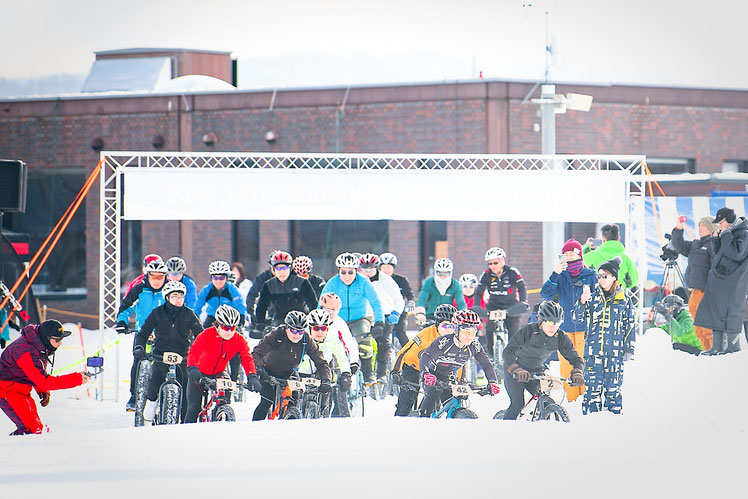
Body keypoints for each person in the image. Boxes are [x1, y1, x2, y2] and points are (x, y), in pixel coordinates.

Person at [0, 320, 91, 435]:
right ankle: (13, 449)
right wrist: (77, 379)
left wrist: (43, 391)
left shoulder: (39, 346)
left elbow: (37, 373)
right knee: (32, 430)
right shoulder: (26, 351)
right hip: (7, 390)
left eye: (61, 339)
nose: (60, 343)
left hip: (21, 390)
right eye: (57, 340)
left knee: (36, 428)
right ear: (46, 338)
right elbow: (44, 381)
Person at [502, 301, 585, 420]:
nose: (553, 327)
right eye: (550, 322)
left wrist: (578, 371)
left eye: (557, 323)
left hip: (536, 371)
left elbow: (575, 358)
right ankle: (505, 432)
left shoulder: (560, 337)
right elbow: (507, 352)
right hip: (515, 371)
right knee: (517, 404)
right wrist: (516, 369)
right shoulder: (528, 331)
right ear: (541, 320)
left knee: (546, 401)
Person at [573, 258, 635, 415]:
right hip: (593, 354)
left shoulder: (624, 300)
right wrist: (581, 302)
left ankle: (614, 429)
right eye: (599, 276)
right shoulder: (592, 298)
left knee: (613, 394)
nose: (601, 279)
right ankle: (590, 428)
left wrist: (629, 348)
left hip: (614, 356)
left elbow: (630, 326)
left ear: (614, 277)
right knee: (591, 395)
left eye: (605, 276)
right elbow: (576, 318)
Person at [135, 281, 204, 423]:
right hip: (161, 354)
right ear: (167, 297)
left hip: (182, 355)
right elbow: (143, 333)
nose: (178, 299)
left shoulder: (189, 314)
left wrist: (205, 350)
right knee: (157, 376)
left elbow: (201, 336)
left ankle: (186, 421)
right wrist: (139, 347)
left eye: (181, 296)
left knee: (186, 384)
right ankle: (152, 402)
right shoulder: (157, 313)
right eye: (174, 296)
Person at [540, 238, 597, 402]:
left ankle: (586, 399)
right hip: (564, 327)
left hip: (585, 328)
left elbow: (598, 300)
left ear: (579, 253)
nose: (568, 256)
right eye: (566, 253)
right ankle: (572, 400)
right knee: (566, 366)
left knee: (584, 363)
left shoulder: (590, 274)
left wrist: (589, 298)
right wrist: (555, 274)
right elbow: (546, 295)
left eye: (571, 253)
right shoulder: (561, 275)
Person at [184, 305, 261, 423]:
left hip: (219, 373)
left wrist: (252, 376)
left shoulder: (238, 339)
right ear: (218, 325)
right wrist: (193, 368)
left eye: (233, 328)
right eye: (226, 327)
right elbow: (193, 352)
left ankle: (220, 415)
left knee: (224, 399)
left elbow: (246, 358)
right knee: (194, 408)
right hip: (199, 372)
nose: (229, 332)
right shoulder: (206, 335)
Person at [251, 311, 332, 420]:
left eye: (300, 332)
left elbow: (321, 361)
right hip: (268, 371)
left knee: (295, 400)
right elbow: (257, 353)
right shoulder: (276, 335)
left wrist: (326, 379)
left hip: (290, 372)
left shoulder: (306, 339)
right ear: (287, 328)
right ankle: (255, 427)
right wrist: (259, 370)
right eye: (293, 331)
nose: (296, 335)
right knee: (267, 400)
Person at [418, 309, 500, 417]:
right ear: (456, 330)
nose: (469, 336)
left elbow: (486, 364)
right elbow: (426, 356)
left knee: (454, 403)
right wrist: (426, 374)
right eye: (466, 332)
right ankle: (422, 418)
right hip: (432, 376)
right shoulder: (444, 342)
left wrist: (492, 381)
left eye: (473, 332)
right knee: (432, 395)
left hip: (450, 379)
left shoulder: (474, 345)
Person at [319, 252, 385, 383]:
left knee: (363, 342)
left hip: (359, 318)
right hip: (337, 319)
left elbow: (376, 302)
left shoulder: (364, 282)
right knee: (331, 344)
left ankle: (368, 373)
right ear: (339, 271)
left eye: (351, 272)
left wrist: (379, 322)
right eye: (343, 272)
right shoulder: (333, 283)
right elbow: (321, 305)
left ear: (356, 271)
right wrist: (318, 321)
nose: (347, 276)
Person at [116, 259, 168, 411]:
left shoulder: (169, 290)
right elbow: (125, 307)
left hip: (163, 333)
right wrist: (122, 322)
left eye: (160, 277)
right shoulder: (139, 289)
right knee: (138, 360)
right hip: (143, 332)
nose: (157, 280)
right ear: (147, 276)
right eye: (153, 276)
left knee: (166, 363)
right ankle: (134, 395)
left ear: (165, 277)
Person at [695, 207, 748, 355]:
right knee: (715, 312)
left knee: (730, 313)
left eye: (721, 222)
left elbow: (735, 253)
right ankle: (717, 346)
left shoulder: (742, 234)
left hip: (732, 282)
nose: (719, 225)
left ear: (730, 220)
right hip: (720, 280)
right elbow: (720, 253)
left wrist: (725, 235)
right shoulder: (728, 233)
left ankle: (732, 347)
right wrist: (716, 239)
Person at [392, 304, 456, 416]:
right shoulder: (426, 334)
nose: (449, 330)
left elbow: (460, 361)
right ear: (437, 324)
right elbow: (404, 351)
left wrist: (460, 380)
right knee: (406, 403)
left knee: (440, 397)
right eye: (445, 326)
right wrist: (395, 371)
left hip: (434, 370)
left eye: (453, 326)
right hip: (413, 366)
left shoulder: (456, 338)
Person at [669, 216, 716, 351]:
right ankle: (706, 352)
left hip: (705, 292)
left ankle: (713, 353)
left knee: (707, 329)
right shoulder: (696, 244)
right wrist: (678, 228)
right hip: (693, 291)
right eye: (699, 225)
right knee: (698, 330)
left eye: (704, 225)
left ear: (712, 228)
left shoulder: (714, 245)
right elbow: (679, 245)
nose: (700, 228)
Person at [474, 247, 528, 358]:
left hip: (511, 307)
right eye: (490, 263)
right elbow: (479, 292)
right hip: (494, 307)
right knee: (489, 328)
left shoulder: (512, 272)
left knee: (514, 331)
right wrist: (476, 307)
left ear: (502, 260)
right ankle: (492, 357)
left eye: (495, 263)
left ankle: (515, 357)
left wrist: (523, 302)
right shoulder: (486, 275)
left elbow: (522, 287)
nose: (492, 266)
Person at [358, 253, 404, 380]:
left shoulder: (386, 280)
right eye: (364, 270)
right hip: (364, 316)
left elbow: (399, 300)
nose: (367, 273)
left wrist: (395, 313)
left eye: (370, 269)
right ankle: (366, 373)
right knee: (362, 343)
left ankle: (381, 373)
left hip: (385, 315)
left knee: (383, 342)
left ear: (376, 267)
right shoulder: (357, 280)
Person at [298, 308, 351, 414]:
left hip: (322, 372)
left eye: (323, 328)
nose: (320, 332)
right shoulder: (300, 337)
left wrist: (346, 373)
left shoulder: (332, 338)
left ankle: (322, 413)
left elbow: (341, 357)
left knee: (326, 396)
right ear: (309, 328)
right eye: (316, 328)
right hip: (301, 372)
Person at [252, 251, 318, 332]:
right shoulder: (269, 285)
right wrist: (260, 322)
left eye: (284, 268)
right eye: (278, 268)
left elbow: (312, 303)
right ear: (273, 270)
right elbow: (262, 306)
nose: (282, 272)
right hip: (279, 322)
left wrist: (314, 321)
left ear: (290, 268)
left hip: (300, 321)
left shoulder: (302, 282)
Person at [582, 224, 639, 290]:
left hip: (599, 296)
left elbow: (579, 258)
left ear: (603, 238)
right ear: (618, 238)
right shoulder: (626, 259)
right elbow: (633, 281)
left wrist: (586, 246)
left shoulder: (593, 256)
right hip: (620, 295)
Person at [194, 260, 247, 328]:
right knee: (203, 335)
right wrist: (194, 321)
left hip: (229, 318)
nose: (218, 281)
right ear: (211, 278)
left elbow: (239, 304)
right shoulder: (207, 289)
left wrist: (242, 318)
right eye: (215, 278)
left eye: (221, 278)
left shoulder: (232, 288)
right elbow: (197, 306)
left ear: (226, 278)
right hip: (212, 317)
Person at [414, 257, 466, 326]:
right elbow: (422, 299)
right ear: (435, 272)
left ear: (450, 273)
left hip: (448, 319)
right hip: (430, 317)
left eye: (445, 273)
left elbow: (461, 303)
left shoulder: (455, 284)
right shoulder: (429, 282)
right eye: (440, 273)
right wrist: (420, 313)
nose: (442, 277)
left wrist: (463, 316)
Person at [378, 252, 416, 347]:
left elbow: (409, 293)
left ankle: (409, 353)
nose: (386, 270)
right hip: (383, 313)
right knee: (381, 335)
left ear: (393, 268)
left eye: (389, 267)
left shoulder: (401, 280)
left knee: (400, 333)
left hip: (399, 313)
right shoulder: (377, 280)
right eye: (384, 267)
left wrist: (411, 301)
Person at [319, 292, 360, 373]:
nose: (330, 313)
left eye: (334, 310)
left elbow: (350, 343)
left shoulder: (339, 322)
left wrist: (354, 362)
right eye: (327, 310)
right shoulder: (313, 318)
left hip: (332, 356)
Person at [245, 250, 285, 324]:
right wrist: (252, 315)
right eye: (276, 268)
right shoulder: (262, 277)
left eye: (282, 268)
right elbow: (252, 295)